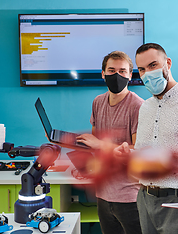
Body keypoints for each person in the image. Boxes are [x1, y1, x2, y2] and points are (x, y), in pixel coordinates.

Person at [115, 43, 178, 234]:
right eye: (142, 69)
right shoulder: (145, 107)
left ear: (167, 63)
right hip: (145, 198)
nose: (147, 73)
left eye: (153, 65)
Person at [75, 51, 144, 234]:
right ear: (103, 74)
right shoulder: (97, 102)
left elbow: (138, 151)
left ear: (130, 75)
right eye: (112, 70)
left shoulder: (138, 106)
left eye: (123, 71)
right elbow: (96, 146)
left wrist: (99, 145)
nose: (117, 75)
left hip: (130, 196)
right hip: (103, 194)